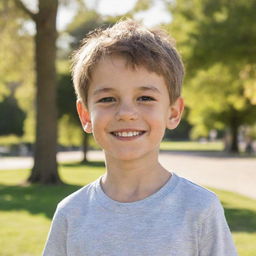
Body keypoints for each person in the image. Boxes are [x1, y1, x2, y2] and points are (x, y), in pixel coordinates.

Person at [43, 19, 237, 256]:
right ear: (85, 115)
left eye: (145, 98)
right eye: (107, 99)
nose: (126, 113)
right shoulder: (71, 214)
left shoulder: (200, 209)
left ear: (173, 112)